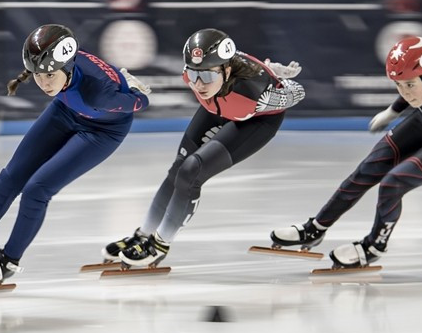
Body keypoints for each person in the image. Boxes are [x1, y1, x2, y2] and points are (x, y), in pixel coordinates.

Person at [0, 24, 151, 286]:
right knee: (10, 178)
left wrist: (135, 91)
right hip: (65, 111)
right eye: (37, 75)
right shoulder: (59, 66)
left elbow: (141, 103)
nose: (43, 83)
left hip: (103, 130)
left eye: (50, 76)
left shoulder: (100, 93)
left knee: (37, 190)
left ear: (66, 68)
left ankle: (8, 261)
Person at [269, 35, 422, 269]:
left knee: (392, 184)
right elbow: (410, 88)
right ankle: (316, 228)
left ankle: (374, 246)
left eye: (409, 85)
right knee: (366, 170)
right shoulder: (420, 86)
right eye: (398, 86)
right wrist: (393, 112)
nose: (405, 92)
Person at [103, 28, 305, 268]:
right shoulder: (196, 72)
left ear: (227, 70)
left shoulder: (256, 93)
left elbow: (298, 93)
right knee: (177, 169)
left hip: (256, 120)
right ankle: (143, 235)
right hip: (218, 106)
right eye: (193, 74)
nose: (198, 84)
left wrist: (278, 79)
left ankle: (160, 244)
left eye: (207, 77)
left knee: (191, 172)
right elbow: (223, 62)